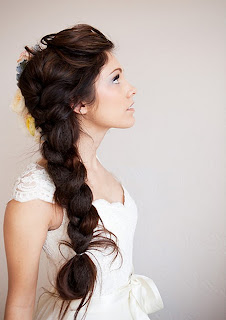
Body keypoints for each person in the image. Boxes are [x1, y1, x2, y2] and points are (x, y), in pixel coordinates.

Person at [3, 23, 164, 320]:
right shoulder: (34, 199)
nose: (131, 89)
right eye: (116, 79)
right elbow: (19, 306)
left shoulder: (101, 170)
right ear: (78, 102)